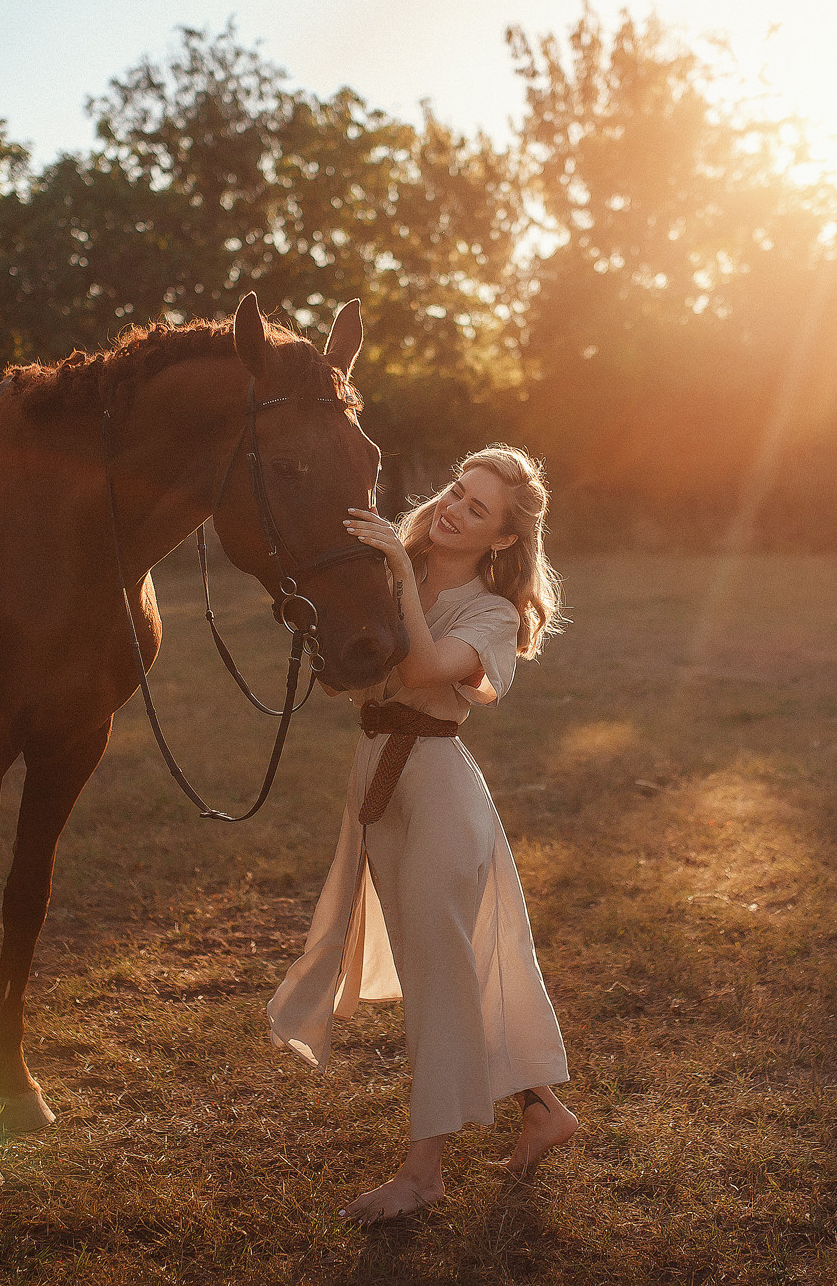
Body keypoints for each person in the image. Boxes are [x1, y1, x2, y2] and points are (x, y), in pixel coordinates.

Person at [267, 444, 578, 1224]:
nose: (453, 507)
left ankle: (422, 1172)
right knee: (446, 970)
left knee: (442, 977)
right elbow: (353, 676)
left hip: (439, 794)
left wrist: (401, 582)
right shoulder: (388, 564)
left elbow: (422, 670)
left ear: (503, 539)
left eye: (477, 508)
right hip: (376, 788)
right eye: (455, 490)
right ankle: (543, 1108)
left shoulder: (493, 612)